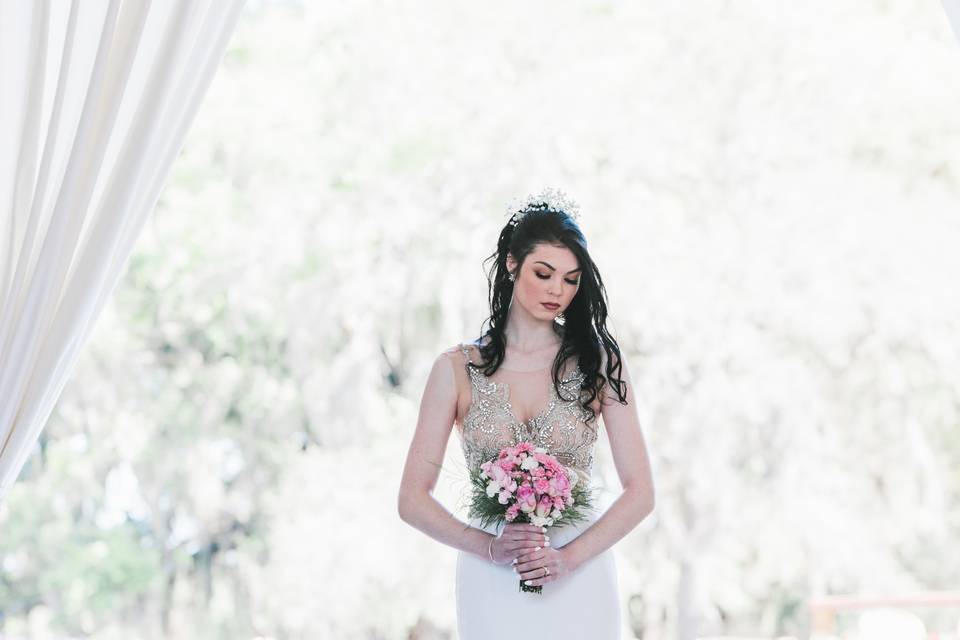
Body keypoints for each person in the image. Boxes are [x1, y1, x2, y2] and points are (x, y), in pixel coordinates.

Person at [397, 188, 655, 639]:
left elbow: (641, 493)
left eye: (572, 280)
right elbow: (412, 500)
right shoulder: (455, 370)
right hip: (492, 573)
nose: (558, 290)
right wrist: (488, 547)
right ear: (512, 264)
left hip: (580, 573)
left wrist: (568, 559)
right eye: (544, 273)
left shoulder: (600, 363)